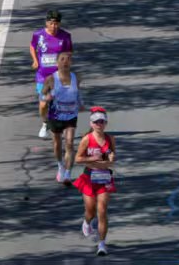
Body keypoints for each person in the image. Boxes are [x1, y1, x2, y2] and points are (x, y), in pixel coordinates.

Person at [73, 106, 117, 255]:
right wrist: (92, 158)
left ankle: (102, 244)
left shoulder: (110, 139)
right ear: (91, 124)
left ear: (106, 123)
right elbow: (77, 159)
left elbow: (112, 158)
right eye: (96, 122)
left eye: (102, 122)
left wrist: (111, 158)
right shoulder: (87, 139)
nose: (99, 124)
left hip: (104, 178)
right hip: (89, 178)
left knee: (102, 211)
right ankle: (87, 221)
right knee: (91, 210)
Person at [41, 49, 83, 181]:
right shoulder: (51, 79)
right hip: (55, 116)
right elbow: (42, 95)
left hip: (71, 115)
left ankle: (68, 173)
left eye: (68, 60)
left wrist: (81, 103)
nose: (65, 62)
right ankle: (60, 166)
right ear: (57, 63)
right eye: (62, 59)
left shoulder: (76, 77)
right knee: (57, 143)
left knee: (70, 143)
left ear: (71, 63)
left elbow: (78, 92)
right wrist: (47, 97)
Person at [30, 10, 74, 136]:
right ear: (46, 23)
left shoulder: (65, 36)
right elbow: (32, 46)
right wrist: (35, 60)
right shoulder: (38, 35)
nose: (54, 26)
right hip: (43, 76)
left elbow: (69, 52)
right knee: (43, 104)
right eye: (51, 23)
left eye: (56, 23)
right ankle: (45, 123)